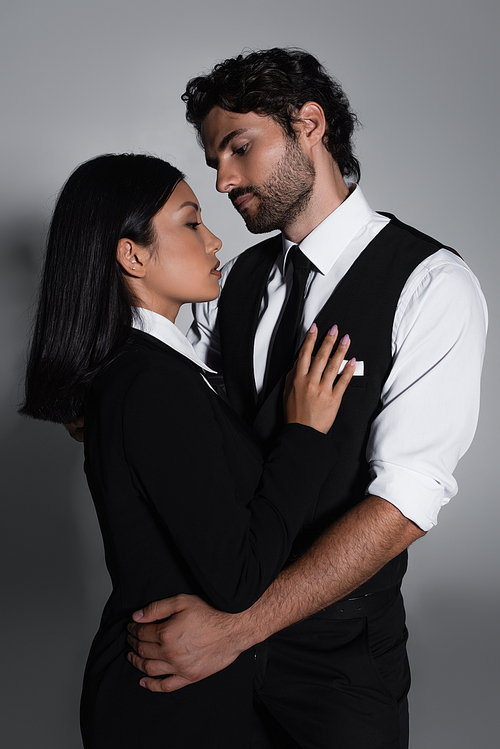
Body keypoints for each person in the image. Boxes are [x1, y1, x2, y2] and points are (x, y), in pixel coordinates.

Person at [126, 48, 488, 748]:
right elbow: (180, 416)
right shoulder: (228, 281)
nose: (225, 180)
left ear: (309, 124)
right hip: (209, 647)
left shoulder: (432, 283)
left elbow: (404, 505)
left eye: (240, 147)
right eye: (216, 163)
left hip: (339, 665)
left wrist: (237, 628)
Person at [19, 152, 356, 748]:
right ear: (133, 254)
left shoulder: (158, 373)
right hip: (168, 706)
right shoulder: (151, 384)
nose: (215, 238)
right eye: (191, 222)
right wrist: (303, 433)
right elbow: (239, 578)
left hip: (181, 693)